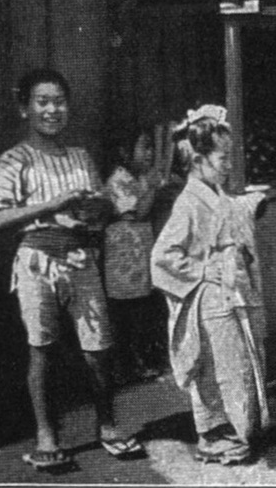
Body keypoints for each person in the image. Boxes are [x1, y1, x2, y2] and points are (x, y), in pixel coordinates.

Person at [0, 68, 145, 471]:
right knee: (42, 349)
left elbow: (97, 212)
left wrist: (95, 210)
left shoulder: (80, 157)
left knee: (99, 350)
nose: (52, 110)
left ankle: (108, 426)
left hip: (81, 258)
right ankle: (47, 436)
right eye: (42, 101)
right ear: (24, 108)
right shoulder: (13, 160)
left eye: (59, 101)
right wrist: (52, 206)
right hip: (37, 261)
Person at [150, 104, 270, 466]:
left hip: (230, 291)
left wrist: (248, 204)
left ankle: (237, 429)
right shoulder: (188, 202)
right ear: (199, 160)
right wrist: (202, 269)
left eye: (231, 156)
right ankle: (211, 435)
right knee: (213, 367)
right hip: (207, 298)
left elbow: (232, 216)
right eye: (223, 158)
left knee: (237, 361)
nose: (230, 164)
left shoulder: (216, 194)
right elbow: (162, 256)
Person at [103, 124, 168, 383]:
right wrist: (152, 188)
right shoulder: (119, 180)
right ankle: (127, 366)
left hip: (138, 256)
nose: (149, 153)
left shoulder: (140, 177)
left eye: (151, 147)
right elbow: (136, 212)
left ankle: (139, 362)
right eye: (144, 147)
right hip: (124, 258)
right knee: (127, 314)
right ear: (124, 152)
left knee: (141, 310)